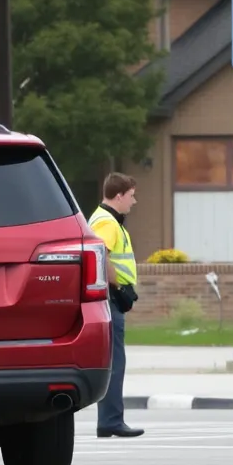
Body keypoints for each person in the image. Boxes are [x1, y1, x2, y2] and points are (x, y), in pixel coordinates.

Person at [89, 172, 144, 438]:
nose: (134, 202)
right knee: (115, 361)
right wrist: (119, 288)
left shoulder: (105, 219)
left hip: (110, 296)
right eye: (131, 196)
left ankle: (110, 419)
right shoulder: (107, 222)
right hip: (110, 297)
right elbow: (102, 256)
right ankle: (111, 420)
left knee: (114, 359)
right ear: (119, 196)